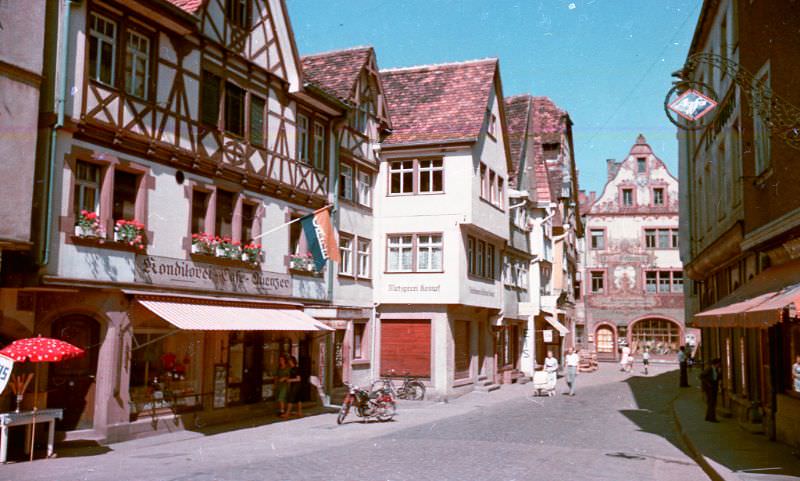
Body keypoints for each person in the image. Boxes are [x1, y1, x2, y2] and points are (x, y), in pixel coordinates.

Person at [700, 358, 721, 422]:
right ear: (716, 364)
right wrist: (708, 384)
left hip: (714, 387)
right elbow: (701, 376)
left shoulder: (716, 369)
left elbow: (716, 377)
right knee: (712, 403)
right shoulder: (709, 369)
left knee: (711, 403)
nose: (720, 365)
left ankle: (708, 417)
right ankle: (712, 418)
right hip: (709, 388)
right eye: (719, 363)